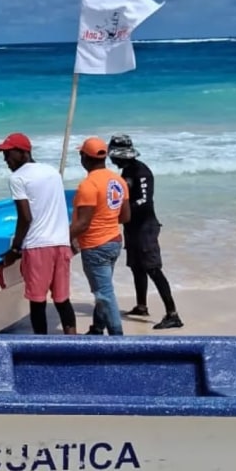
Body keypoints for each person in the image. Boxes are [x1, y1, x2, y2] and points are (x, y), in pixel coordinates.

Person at [0, 133, 76, 335]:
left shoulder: (17, 178)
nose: (6, 160)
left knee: (37, 301)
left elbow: (26, 218)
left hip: (38, 246)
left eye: (8, 154)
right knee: (62, 300)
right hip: (62, 243)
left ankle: (40, 347)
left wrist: (14, 249)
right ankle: (73, 343)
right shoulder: (53, 173)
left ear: (23, 153)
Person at [107, 134, 184, 330]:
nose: (111, 159)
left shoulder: (141, 172)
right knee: (136, 267)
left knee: (152, 268)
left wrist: (122, 211)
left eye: (113, 155)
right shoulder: (126, 171)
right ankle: (141, 306)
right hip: (132, 226)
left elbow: (144, 200)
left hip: (145, 227)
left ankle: (172, 314)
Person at [69, 137, 131, 336]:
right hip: (114, 241)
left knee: (104, 294)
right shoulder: (118, 180)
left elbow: (82, 224)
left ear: (84, 157)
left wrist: (59, 238)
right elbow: (125, 216)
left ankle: (117, 337)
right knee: (103, 289)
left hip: (96, 246)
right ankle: (97, 329)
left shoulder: (88, 185)